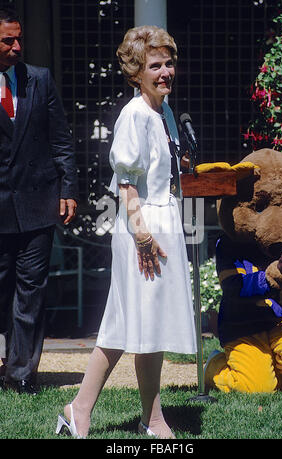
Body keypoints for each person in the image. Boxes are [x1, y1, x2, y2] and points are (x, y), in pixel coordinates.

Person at [56, 25, 196, 439]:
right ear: (137, 72)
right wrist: (142, 235)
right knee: (123, 325)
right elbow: (126, 182)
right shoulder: (134, 114)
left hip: (163, 222)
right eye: (156, 65)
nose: (165, 71)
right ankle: (82, 409)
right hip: (142, 227)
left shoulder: (164, 111)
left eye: (169, 63)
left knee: (145, 326)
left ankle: (148, 419)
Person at [0, 9, 78, 394]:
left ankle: (20, 375)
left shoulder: (40, 79)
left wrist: (68, 190)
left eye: (19, 40)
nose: (16, 48)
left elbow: (60, 138)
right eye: (7, 41)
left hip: (37, 202)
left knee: (31, 290)